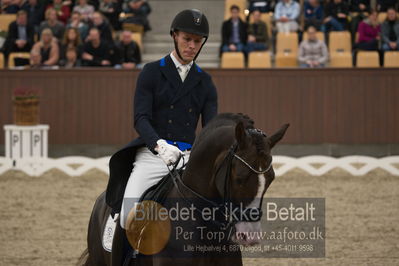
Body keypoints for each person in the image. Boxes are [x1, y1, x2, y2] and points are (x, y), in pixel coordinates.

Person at [105, 9, 217, 265]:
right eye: (187, 39)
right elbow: (140, 118)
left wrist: (201, 155)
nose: (191, 46)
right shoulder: (152, 72)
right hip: (154, 155)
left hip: (188, 158)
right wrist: (159, 145)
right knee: (127, 215)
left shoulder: (205, 82)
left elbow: (209, 130)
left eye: (197, 41)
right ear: (174, 36)